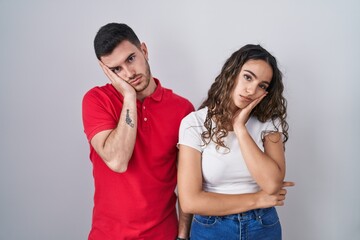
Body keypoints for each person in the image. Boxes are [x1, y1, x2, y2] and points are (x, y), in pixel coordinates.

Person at [82, 23, 194, 240]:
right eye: (116, 69)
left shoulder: (182, 109)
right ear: (105, 71)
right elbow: (117, 160)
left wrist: (182, 236)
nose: (129, 73)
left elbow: (187, 185)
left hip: (164, 235)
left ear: (144, 50)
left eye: (131, 59)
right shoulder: (96, 101)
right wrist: (129, 96)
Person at [177, 44, 294, 240]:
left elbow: (272, 184)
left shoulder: (269, 123)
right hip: (211, 227)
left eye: (262, 86)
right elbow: (190, 201)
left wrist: (240, 128)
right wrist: (257, 199)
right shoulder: (194, 123)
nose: (251, 90)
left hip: (263, 226)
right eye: (248, 77)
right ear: (232, 74)